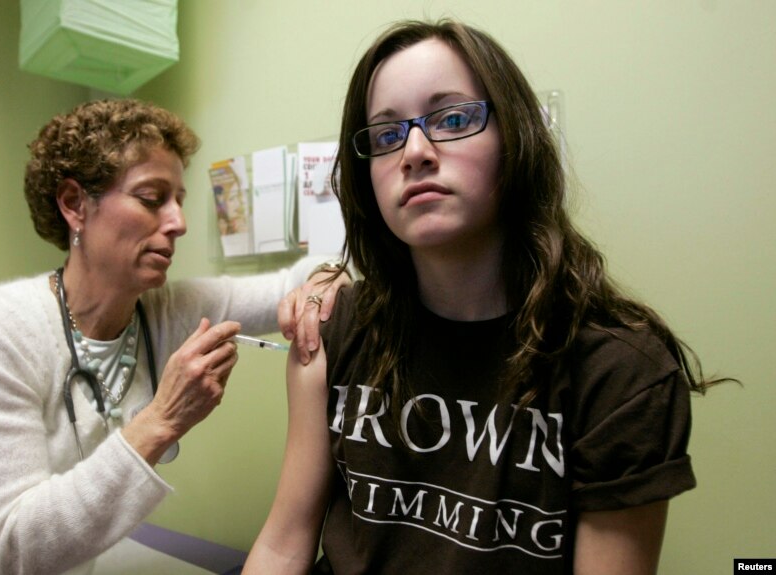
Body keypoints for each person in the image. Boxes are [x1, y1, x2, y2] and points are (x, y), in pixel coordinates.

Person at [244, 19, 732, 575]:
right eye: (385, 136)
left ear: (515, 137)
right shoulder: (332, 330)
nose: (415, 152)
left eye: (452, 119)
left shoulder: (621, 370)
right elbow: (284, 546)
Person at [0, 98, 348, 575]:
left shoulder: (164, 313)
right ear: (75, 204)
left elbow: (303, 276)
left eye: (179, 200)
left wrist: (324, 279)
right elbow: (17, 548)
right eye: (152, 198)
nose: (179, 222)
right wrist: (161, 420)